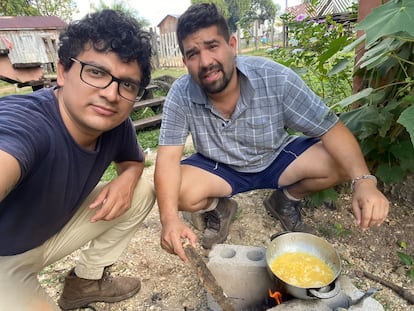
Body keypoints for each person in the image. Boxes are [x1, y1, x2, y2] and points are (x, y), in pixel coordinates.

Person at [154, 3, 389, 263]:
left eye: (212, 46)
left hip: (276, 159)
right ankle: (220, 209)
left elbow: (331, 128)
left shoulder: (274, 78)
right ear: (185, 61)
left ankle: (285, 200)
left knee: (342, 161)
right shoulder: (180, 93)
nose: (206, 61)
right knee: (171, 191)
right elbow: (166, 159)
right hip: (219, 168)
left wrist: (365, 181)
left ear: (232, 45)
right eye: (193, 53)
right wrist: (169, 220)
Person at [0, 10, 156, 310]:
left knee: (142, 191)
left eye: (127, 85)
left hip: (51, 236)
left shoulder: (115, 125)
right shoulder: (26, 125)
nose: (112, 94)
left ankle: (84, 282)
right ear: (62, 72)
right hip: (4, 260)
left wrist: (128, 177)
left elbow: (134, 161)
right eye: (96, 72)